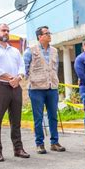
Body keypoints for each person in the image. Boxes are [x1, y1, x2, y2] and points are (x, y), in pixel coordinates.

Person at [0, 23, 29, 161]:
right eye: (4, 30)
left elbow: (22, 67)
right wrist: (11, 78)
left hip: (15, 88)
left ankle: (18, 149)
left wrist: (18, 78)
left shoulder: (14, 51)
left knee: (16, 121)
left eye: (8, 30)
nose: (6, 32)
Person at [24, 26, 66, 154]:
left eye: (49, 33)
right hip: (36, 88)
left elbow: (55, 67)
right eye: (46, 33)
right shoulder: (30, 51)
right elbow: (25, 69)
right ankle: (39, 144)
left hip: (51, 88)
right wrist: (33, 80)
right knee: (38, 117)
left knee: (53, 116)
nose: (49, 35)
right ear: (39, 37)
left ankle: (54, 142)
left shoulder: (54, 51)